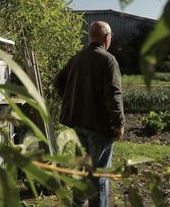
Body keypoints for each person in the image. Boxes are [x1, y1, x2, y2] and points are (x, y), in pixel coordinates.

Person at [54, 21, 125, 207]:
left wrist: (73, 100)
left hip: (79, 124)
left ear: (90, 37)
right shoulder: (107, 60)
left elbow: (58, 82)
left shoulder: (77, 58)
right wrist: (119, 123)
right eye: (110, 37)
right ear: (106, 38)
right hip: (99, 127)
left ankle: (77, 204)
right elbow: (113, 94)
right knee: (98, 175)